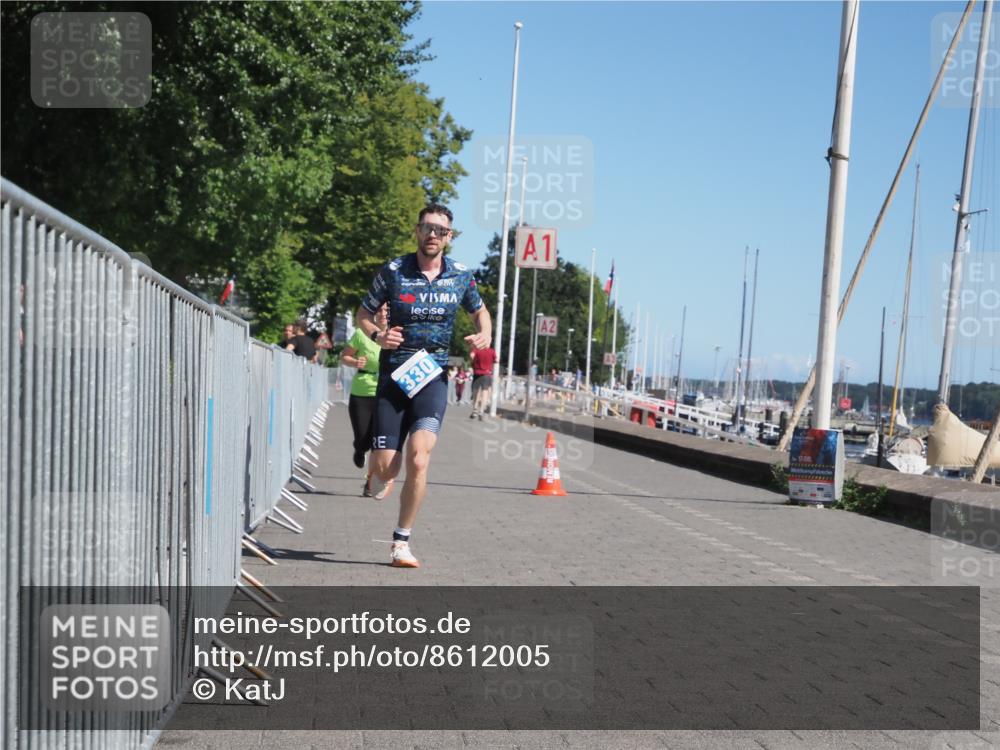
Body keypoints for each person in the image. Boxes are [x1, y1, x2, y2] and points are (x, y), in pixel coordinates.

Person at [356, 204, 491, 568]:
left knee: (419, 458)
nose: (433, 235)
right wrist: (378, 335)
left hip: (432, 376)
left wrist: (485, 334)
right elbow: (363, 314)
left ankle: (401, 542)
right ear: (417, 231)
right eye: (427, 228)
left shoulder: (461, 276)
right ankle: (375, 469)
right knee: (389, 469)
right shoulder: (394, 270)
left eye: (441, 230)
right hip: (394, 377)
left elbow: (480, 310)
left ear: (449, 237)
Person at [341, 303, 388, 487]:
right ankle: (359, 449)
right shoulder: (362, 334)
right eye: (380, 310)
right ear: (375, 314)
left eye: (387, 310)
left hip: (386, 393)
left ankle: (371, 482)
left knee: (379, 442)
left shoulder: (397, 336)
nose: (383, 314)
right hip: (362, 391)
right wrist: (355, 362)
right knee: (363, 439)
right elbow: (344, 356)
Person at [470, 342, 497, 420]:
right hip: (487, 374)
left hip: (477, 373)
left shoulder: (477, 350)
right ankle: (481, 410)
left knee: (476, 391)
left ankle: (475, 409)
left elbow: (472, 356)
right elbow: (496, 360)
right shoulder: (492, 351)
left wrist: (475, 362)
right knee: (485, 392)